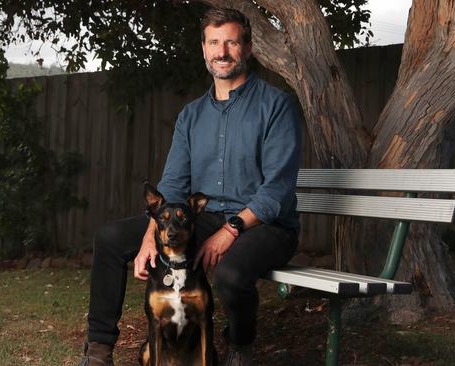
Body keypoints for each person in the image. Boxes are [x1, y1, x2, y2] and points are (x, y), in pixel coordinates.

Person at [78, 7, 302, 366]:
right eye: (214, 42)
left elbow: (276, 190)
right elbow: (173, 184)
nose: (222, 52)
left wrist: (230, 230)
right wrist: (151, 232)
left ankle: (240, 345)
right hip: (205, 218)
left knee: (230, 275)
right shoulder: (191, 115)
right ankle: (99, 349)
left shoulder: (276, 106)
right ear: (203, 48)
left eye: (231, 42)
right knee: (109, 238)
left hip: (266, 226)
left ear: (247, 48)